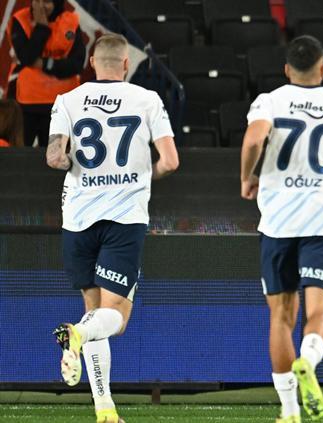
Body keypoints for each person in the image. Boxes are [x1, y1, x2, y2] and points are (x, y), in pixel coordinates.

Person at [239, 35, 323, 423]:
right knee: (319, 310)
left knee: (281, 316)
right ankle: (309, 361)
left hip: (278, 224)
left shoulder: (269, 101)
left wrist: (247, 177)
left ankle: (289, 410)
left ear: (287, 69)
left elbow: (253, 139)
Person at [47, 33, 179, 423]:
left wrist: (72, 163)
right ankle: (77, 335)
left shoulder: (68, 100)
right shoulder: (147, 99)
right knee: (115, 318)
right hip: (123, 218)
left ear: (91, 62)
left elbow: (55, 157)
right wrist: (144, 176)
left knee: (93, 312)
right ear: (125, 64)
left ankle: (105, 410)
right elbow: (170, 161)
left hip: (78, 218)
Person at [8, 0, 85, 148]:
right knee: (19, 156)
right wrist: (42, 27)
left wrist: (45, 64)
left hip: (62, 105)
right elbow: (27, 57)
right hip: (27, 104)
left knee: (55, 158)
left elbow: (77, 64)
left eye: (47, 1)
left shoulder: (70, 21)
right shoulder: (21, 19)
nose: (41, 6)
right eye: (37, 0)